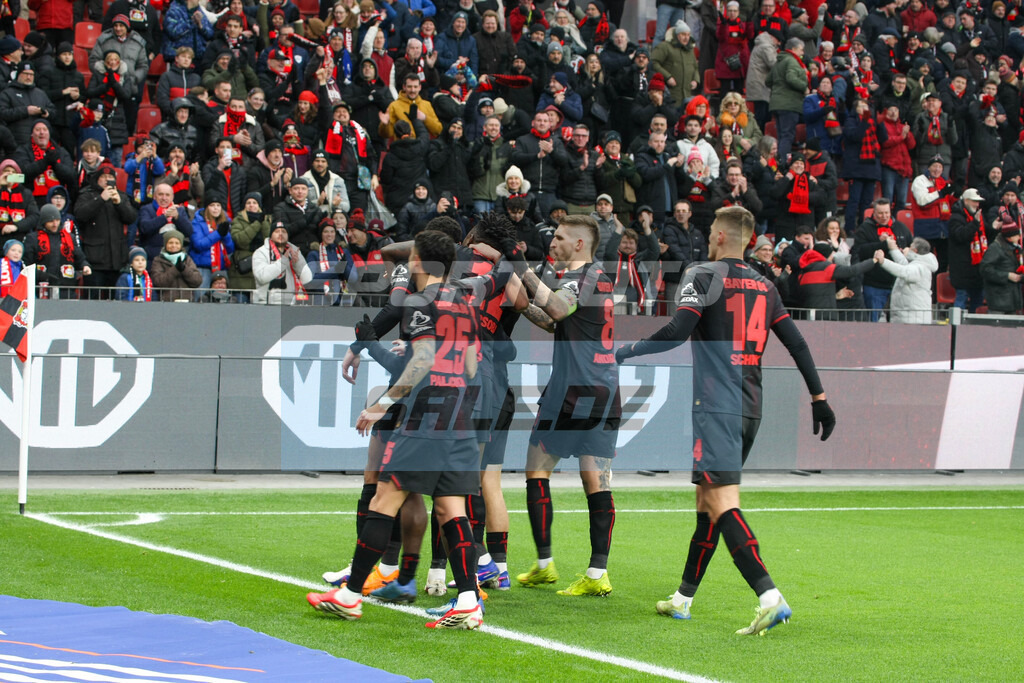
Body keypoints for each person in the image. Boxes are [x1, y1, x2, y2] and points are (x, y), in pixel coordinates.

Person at [614, 205, 835, 634]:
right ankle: (682, 598)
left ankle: (769, 596)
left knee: (720, 502)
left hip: (715, 405)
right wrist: (819, 398)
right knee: (707, 503)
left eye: (711, 229)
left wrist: (626, 351)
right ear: (749, 240)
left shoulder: (702, 275)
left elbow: (678, 330)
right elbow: (797, 344)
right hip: (750, 406)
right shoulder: (766, 285)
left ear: (718, 236)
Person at [307, 230, 494, 629]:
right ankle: (466, 601)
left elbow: (425, 356)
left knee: (384, 498)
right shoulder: (464, 301)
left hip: (425, 417)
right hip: (459, 413)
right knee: (450, 508)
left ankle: (350, 595)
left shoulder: (417, 301)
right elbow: (472, 364)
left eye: (411, 256)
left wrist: (383, 403)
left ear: (418, 261)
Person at [500, 214, 619, 597]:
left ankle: (545, 563)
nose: (553, 241)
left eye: (562, 237)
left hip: (572, 391)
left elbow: (556, 309)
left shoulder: (586, 276)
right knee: (594, 480)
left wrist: (520, 266)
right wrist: (522, 305)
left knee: (537, 472)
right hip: (603, 389)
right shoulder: (590, 278)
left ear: (580, 244)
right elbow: (556, 321)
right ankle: (594, 572)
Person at [75, 162, 137, 298]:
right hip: (95, 260)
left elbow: (131, 217)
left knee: (116, 300)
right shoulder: (87, 195)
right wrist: (101, 199)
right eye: (103, 176)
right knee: (93, 299)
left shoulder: (121, 196)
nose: (106, 179)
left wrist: (119, 203)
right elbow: (80, 214)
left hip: (117, 261)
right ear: (97, 179)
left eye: (110, 176)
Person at [23, 203, 90, 298]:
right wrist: (43, 275)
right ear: (43, 222)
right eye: (51, 221)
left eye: (57, 220)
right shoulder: (33, 238)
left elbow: (79, 257)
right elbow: (27, 264)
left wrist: (85, 265)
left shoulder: (69, 238)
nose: (55, 224)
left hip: (67, 288)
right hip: (41, 288)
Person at [948, 188, 995, 312]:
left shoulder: (978, 216)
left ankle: (975, 328)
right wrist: (974, 223)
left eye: (978, 202)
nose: (977, 204)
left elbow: (985, 233)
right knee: (961, 299)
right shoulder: (955, 218)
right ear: (966, 200)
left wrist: (994, 228)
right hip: (962, 269)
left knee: (978, 301)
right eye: (974, 201)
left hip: (977, 269)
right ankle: (955, 328)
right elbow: (961, 236)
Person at [874, 237, 939, 324]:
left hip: (913, 319)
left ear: (915, 251)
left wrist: (883, 261)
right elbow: (903, 263)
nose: (907, 248)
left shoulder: (920, 267)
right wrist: (893, 249)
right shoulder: (918, 263)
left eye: (910, 246)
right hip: (908, 317)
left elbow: (903, 271)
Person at [253, 220, 314, 305]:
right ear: (271, 235)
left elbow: (308, 279)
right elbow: (262, 277)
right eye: (277, 231)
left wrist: (297, 263)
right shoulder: (261, 252)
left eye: (284, 231)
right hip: (267, 306)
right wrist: (283, 262)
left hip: (292, 305)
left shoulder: (294, 251)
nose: (281, 234)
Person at [979, 221, 1024, 315]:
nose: (1019, 238)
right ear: (1009, 237)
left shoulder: (1016, 249)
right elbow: (985, 270)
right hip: (998, 301)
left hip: (1012, 299)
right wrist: (1007, 276)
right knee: (996, 328)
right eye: (1017, 235)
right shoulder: (995, 248)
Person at [149, 229, 202, 302]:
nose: (174, 245)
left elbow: (197, 281)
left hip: (187, 302)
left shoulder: (187, 259)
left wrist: (184, 269)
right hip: (166, 303)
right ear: (165, 244)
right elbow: (158, 282)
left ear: (181, 245)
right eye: (170, 243)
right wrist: (175, 269)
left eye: (177, 243)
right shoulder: (158, 260)